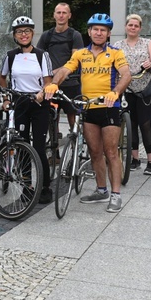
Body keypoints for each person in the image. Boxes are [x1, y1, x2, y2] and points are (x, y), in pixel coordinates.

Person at [45, 13, 132, 213]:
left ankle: (116, 194)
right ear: (89, 31)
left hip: (109, 106)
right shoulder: (81, 54)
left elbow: (126, 74)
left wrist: (115, 92)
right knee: (95, 152)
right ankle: (102, 190)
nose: (98, 33)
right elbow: (65, 70)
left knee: (111, 152)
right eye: (95, 29)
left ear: (108, 33)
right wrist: (53, 84)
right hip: (88, 107)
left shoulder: (115, 53)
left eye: (103, 30)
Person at [0, 16, 54, 204]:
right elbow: (2, 78)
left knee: (38, 147)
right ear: (14, 35)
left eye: (27, 31)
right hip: (19, 102)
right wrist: (6, 98)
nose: (24, 35)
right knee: (21, 146)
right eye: (20, 32)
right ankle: (27, 186)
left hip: (39, 103)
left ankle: (45, 186)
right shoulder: (10, 56)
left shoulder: (41, 55)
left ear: (32, 34)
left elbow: (48, 82)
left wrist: (41, 93)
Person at [113, 14, 151, 175]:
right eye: (130, 25)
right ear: (126, 27)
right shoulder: (118, 45)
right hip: (126, 89)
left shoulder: (147, 43)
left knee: (145, 124)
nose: (133, 28)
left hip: (144, 89)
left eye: (136, 26)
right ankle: (135, 159)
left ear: (140, 28)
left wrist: (150, 64)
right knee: (130, 124)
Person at [36, 3, 84, 129]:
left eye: (64, 13)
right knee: (51, 117)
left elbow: (76, 60)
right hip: (50, 83)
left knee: (73, 118)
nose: (61, 15)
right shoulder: (47, 35)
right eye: (58, 12)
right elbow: (38, 57)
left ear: (69, 15)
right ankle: (53, 146)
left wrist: (55, 71)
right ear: (54, 15)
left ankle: (75, 144)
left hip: (70, 83)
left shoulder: (75, 35)